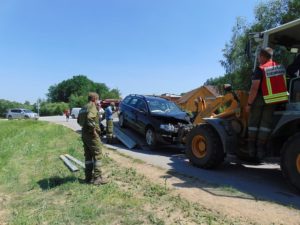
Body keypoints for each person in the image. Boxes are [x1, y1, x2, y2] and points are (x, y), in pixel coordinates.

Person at [246, 47, 288, 160]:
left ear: (263, 57)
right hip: (273, 100)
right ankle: (261, 150)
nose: (258, 59)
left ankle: (251, 150)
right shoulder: (279, 68)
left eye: (259, 56)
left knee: (253, 124)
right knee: (266, 125)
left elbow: (254, 88)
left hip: (260, 99)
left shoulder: (260, 69)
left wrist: (249, 104)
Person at [80, 92, 108, 185]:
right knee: (97, 154)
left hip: (84, 133)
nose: (98, 101)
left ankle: (88, 177)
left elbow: (78, 121)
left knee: (88, 156)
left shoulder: (84, 107)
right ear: (94, 99)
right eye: (98, 99)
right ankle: (97, 178)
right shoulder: (92, 106)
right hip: (91, 134)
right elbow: (90, 118)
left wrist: (86, 128)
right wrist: (93, 131)